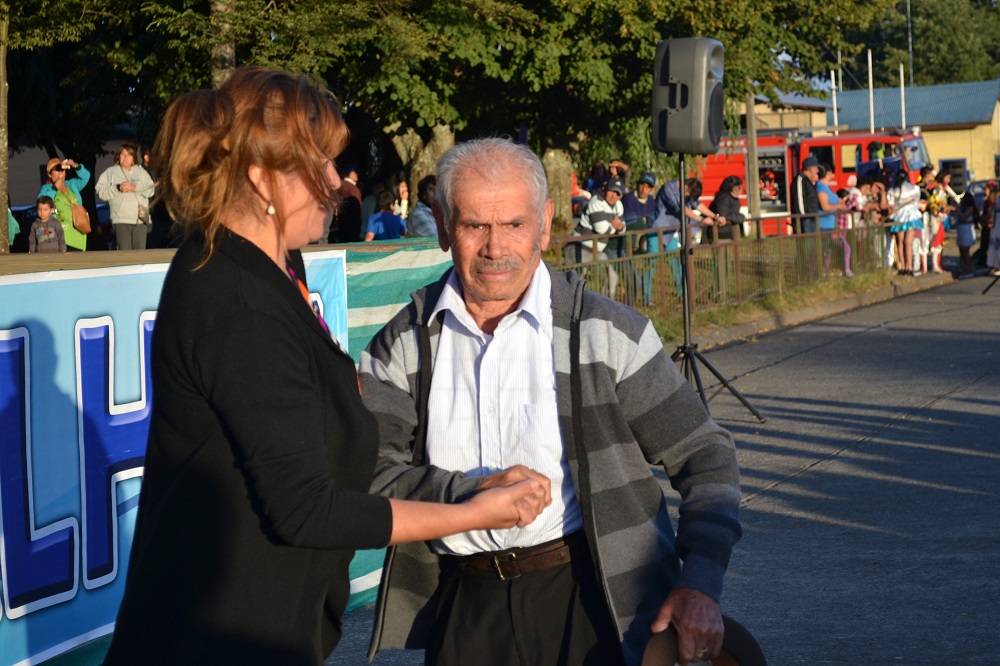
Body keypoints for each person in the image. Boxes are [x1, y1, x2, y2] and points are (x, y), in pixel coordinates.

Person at [102, 68, 549, 666]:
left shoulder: (275, 270)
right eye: (323, 164)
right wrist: (471, 513)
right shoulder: (237, 302)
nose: (338, 184)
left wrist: (470, 483)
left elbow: (301, 428)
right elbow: (306, 507)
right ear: (263, 177)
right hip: (215, 639)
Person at [359, 137, 742, 666]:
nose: (496, 248)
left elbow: (705, 455)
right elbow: (367, 474)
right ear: (443, 226)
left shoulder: (608, 334)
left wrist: (700, 581)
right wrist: (468, 496)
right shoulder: (403, 343)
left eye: (514, 224)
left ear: (544, 223)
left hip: (591, 601)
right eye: (475, 226)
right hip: (462, 606)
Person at [569, 177, 626, 296]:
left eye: (617, 193)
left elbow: (623, 228)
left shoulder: (618, 205)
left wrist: (619, 227)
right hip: (579, 248)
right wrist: (617, 227)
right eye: (611, 191)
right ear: (605, 189)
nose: (613, 196)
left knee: (612, 277)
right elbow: (602, 230)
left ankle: (606, 309)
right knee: (573, 285)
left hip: (597, 250)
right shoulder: (596, 201)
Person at [95, 144, 156, 250]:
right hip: (120, 219)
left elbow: (151, 190)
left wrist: (135, 187)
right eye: (122, 154)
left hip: (139, 219)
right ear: (118, 157)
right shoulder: (110, 172)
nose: (125, 157)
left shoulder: (141, 172)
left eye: (128, 155)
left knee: (140, 253)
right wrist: (117, 188)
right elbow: (100, 192)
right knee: (125, 252)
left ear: (133, 158)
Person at [38, 156, 90, 252]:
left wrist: (75, 165)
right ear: (50, 174)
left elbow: (86, 176)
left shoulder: (72, 184)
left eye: (62, 169)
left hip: (78, 234)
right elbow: (43, 203)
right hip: (59, 237)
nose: (60, 172)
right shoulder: (46, 188)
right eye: (56, 170)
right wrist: (55, 188)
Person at [816, 165, 850, 277]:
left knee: (829, 251)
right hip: (823, 225)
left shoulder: (827, 187)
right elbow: (825, 206)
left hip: (831, 225)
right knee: (824, 251)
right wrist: (838, 207)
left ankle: (825, 273)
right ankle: (821, 274)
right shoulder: (820, 187)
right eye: (831, 172)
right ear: (828, 173)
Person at [886, 171, 922, 276]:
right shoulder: (915, 188)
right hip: (912, 216)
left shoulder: (893, 191)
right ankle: (909, 267)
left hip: (898, 217)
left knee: (900, 242)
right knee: (908, 243)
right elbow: (917, 203)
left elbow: (892, 205)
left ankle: (901, 266)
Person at [706, 175, 744, 243]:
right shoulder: (723, 199)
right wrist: (741, 217)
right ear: (736, 188)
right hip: (720, 233)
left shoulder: (733, 198)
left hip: (728, 231)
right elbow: (723, 215)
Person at [331, 164, 362, 243]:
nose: (357, 174)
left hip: (346, 218)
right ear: (350, 174)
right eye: (355, 172)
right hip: (350, 219)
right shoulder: (347, 185)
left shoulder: (347, 185)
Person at [790, 156, 819, 233]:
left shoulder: (807, 180)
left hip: (811, 218)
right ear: (810, 169)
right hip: (805, 219)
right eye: (816, 168)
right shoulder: (800, 179)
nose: (817, 171)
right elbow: (799, 199)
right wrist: (804, 216)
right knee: (806, 243)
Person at [955, 191, 978, 279]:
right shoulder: (963, 207)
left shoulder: (970, 208)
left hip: (966, 231)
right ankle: (962, 269)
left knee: (966, 252)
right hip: (961, 230)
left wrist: (958, 212)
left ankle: (969, 270)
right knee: (962, 252)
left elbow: (964, 217)